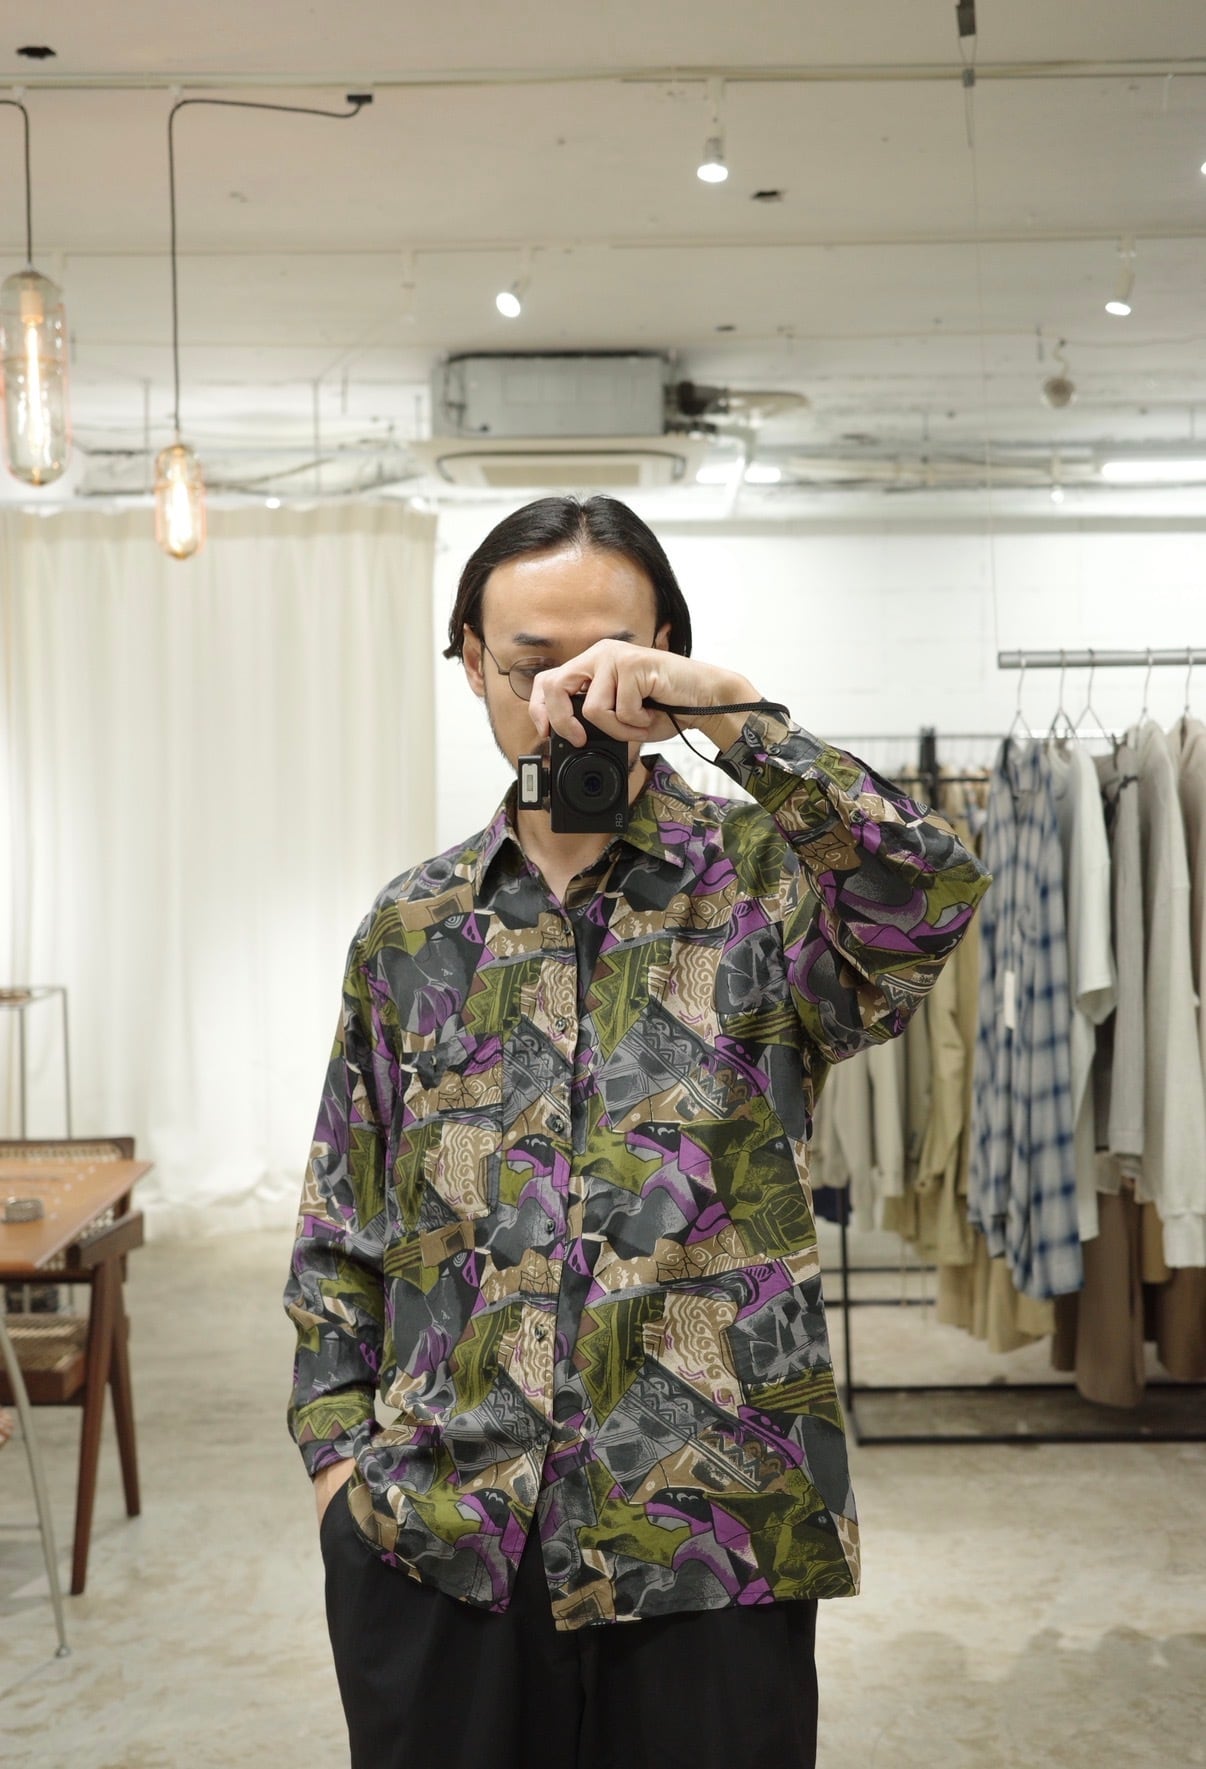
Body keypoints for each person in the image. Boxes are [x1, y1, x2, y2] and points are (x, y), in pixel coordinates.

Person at [284, 495, 992, 1769]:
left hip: (710, 1539)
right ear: (469, 662)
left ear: (661, 651)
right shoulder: (413, 927)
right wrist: (342, 1472)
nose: (570, 700)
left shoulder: (765, 883)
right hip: (442, 1537)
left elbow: (928, 890)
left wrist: (733, 715)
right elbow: (345, 1212)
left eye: (608, 658)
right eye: (530, 664)